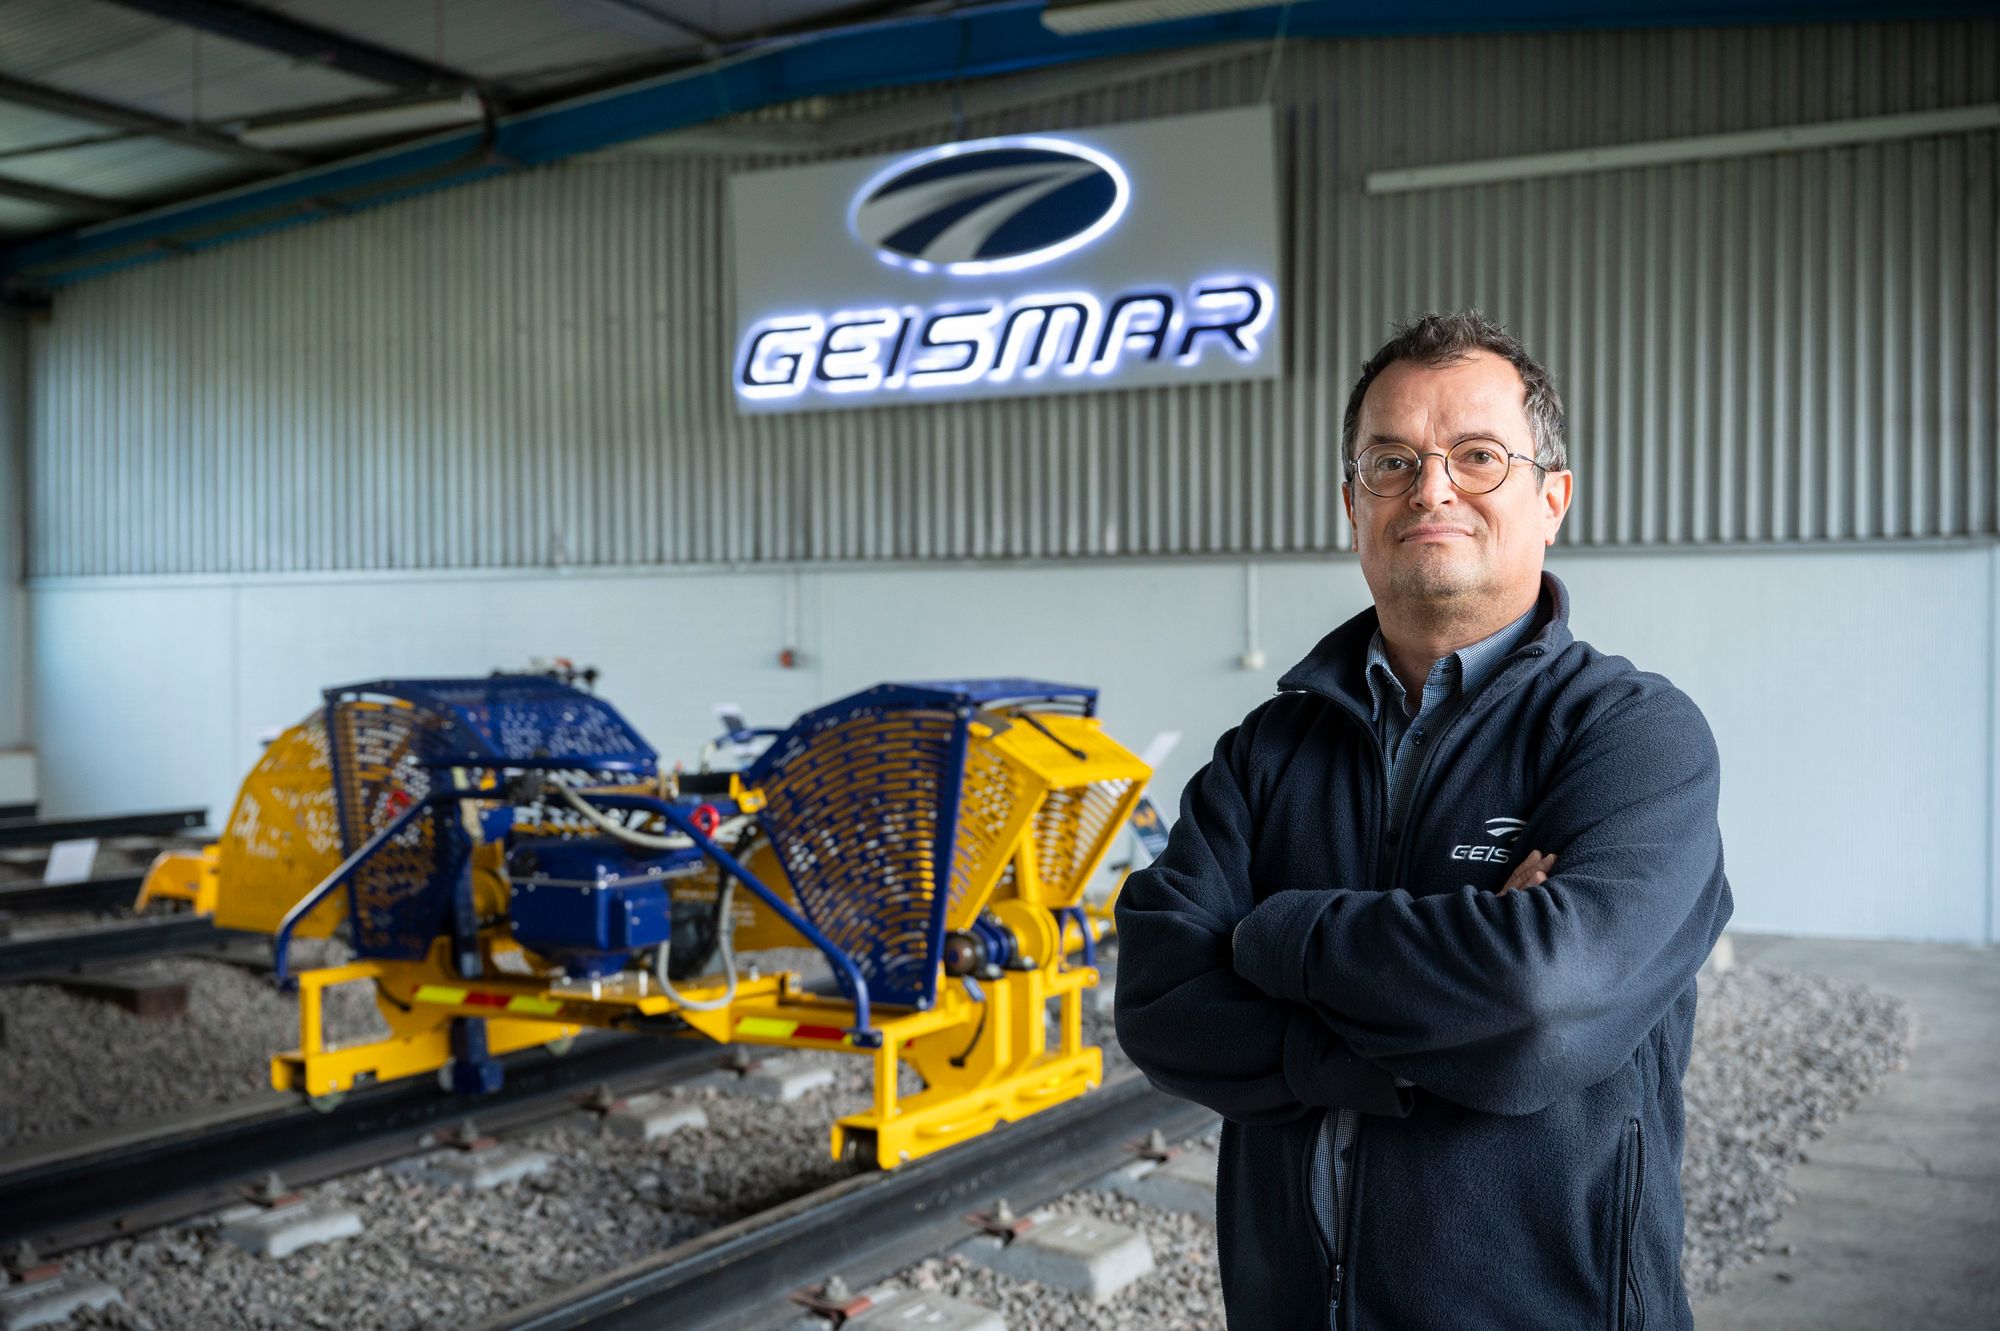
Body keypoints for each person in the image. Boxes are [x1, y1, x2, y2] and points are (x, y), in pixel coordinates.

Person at [1114, 310, 1732, 1330]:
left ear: (1551, 498)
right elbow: (1157, 998)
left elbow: (1540, 998)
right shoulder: (1266, 750)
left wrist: (1276, 934)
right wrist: (1416, 1023)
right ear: (1350, 503)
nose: (1430, 486)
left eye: (1476, 455)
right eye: (1391, 459)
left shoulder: (1633, 737)